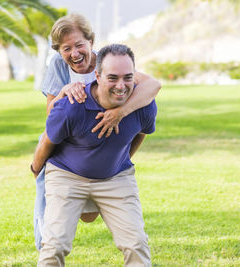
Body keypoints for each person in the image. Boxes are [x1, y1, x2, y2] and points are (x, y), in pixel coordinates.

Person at [34, 13, 161, 250]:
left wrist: (120, 112)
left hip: (101, 143)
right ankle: (46, 247)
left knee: (90, 216)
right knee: (50, 223)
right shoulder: (58, 65)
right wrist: (65, 92)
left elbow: (153, 85)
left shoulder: (107, 63)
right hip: (62, 145)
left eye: (79, 45)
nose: (74, 53)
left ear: (91, 42)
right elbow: (51, 114)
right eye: (66, 48)